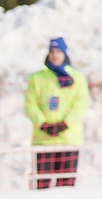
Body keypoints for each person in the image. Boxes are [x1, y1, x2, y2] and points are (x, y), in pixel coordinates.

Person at [24, 37, 90, 189]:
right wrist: (43, 124)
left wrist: (65, 124)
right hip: (43, 140)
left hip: (68, 139)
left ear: (64, 54)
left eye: (58, 52)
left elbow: (81, 105)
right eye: (52, 52)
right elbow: (30, 104)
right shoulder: (37, 78)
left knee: (65, 185)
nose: (55, 55)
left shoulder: (77, 78)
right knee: (42, 184)